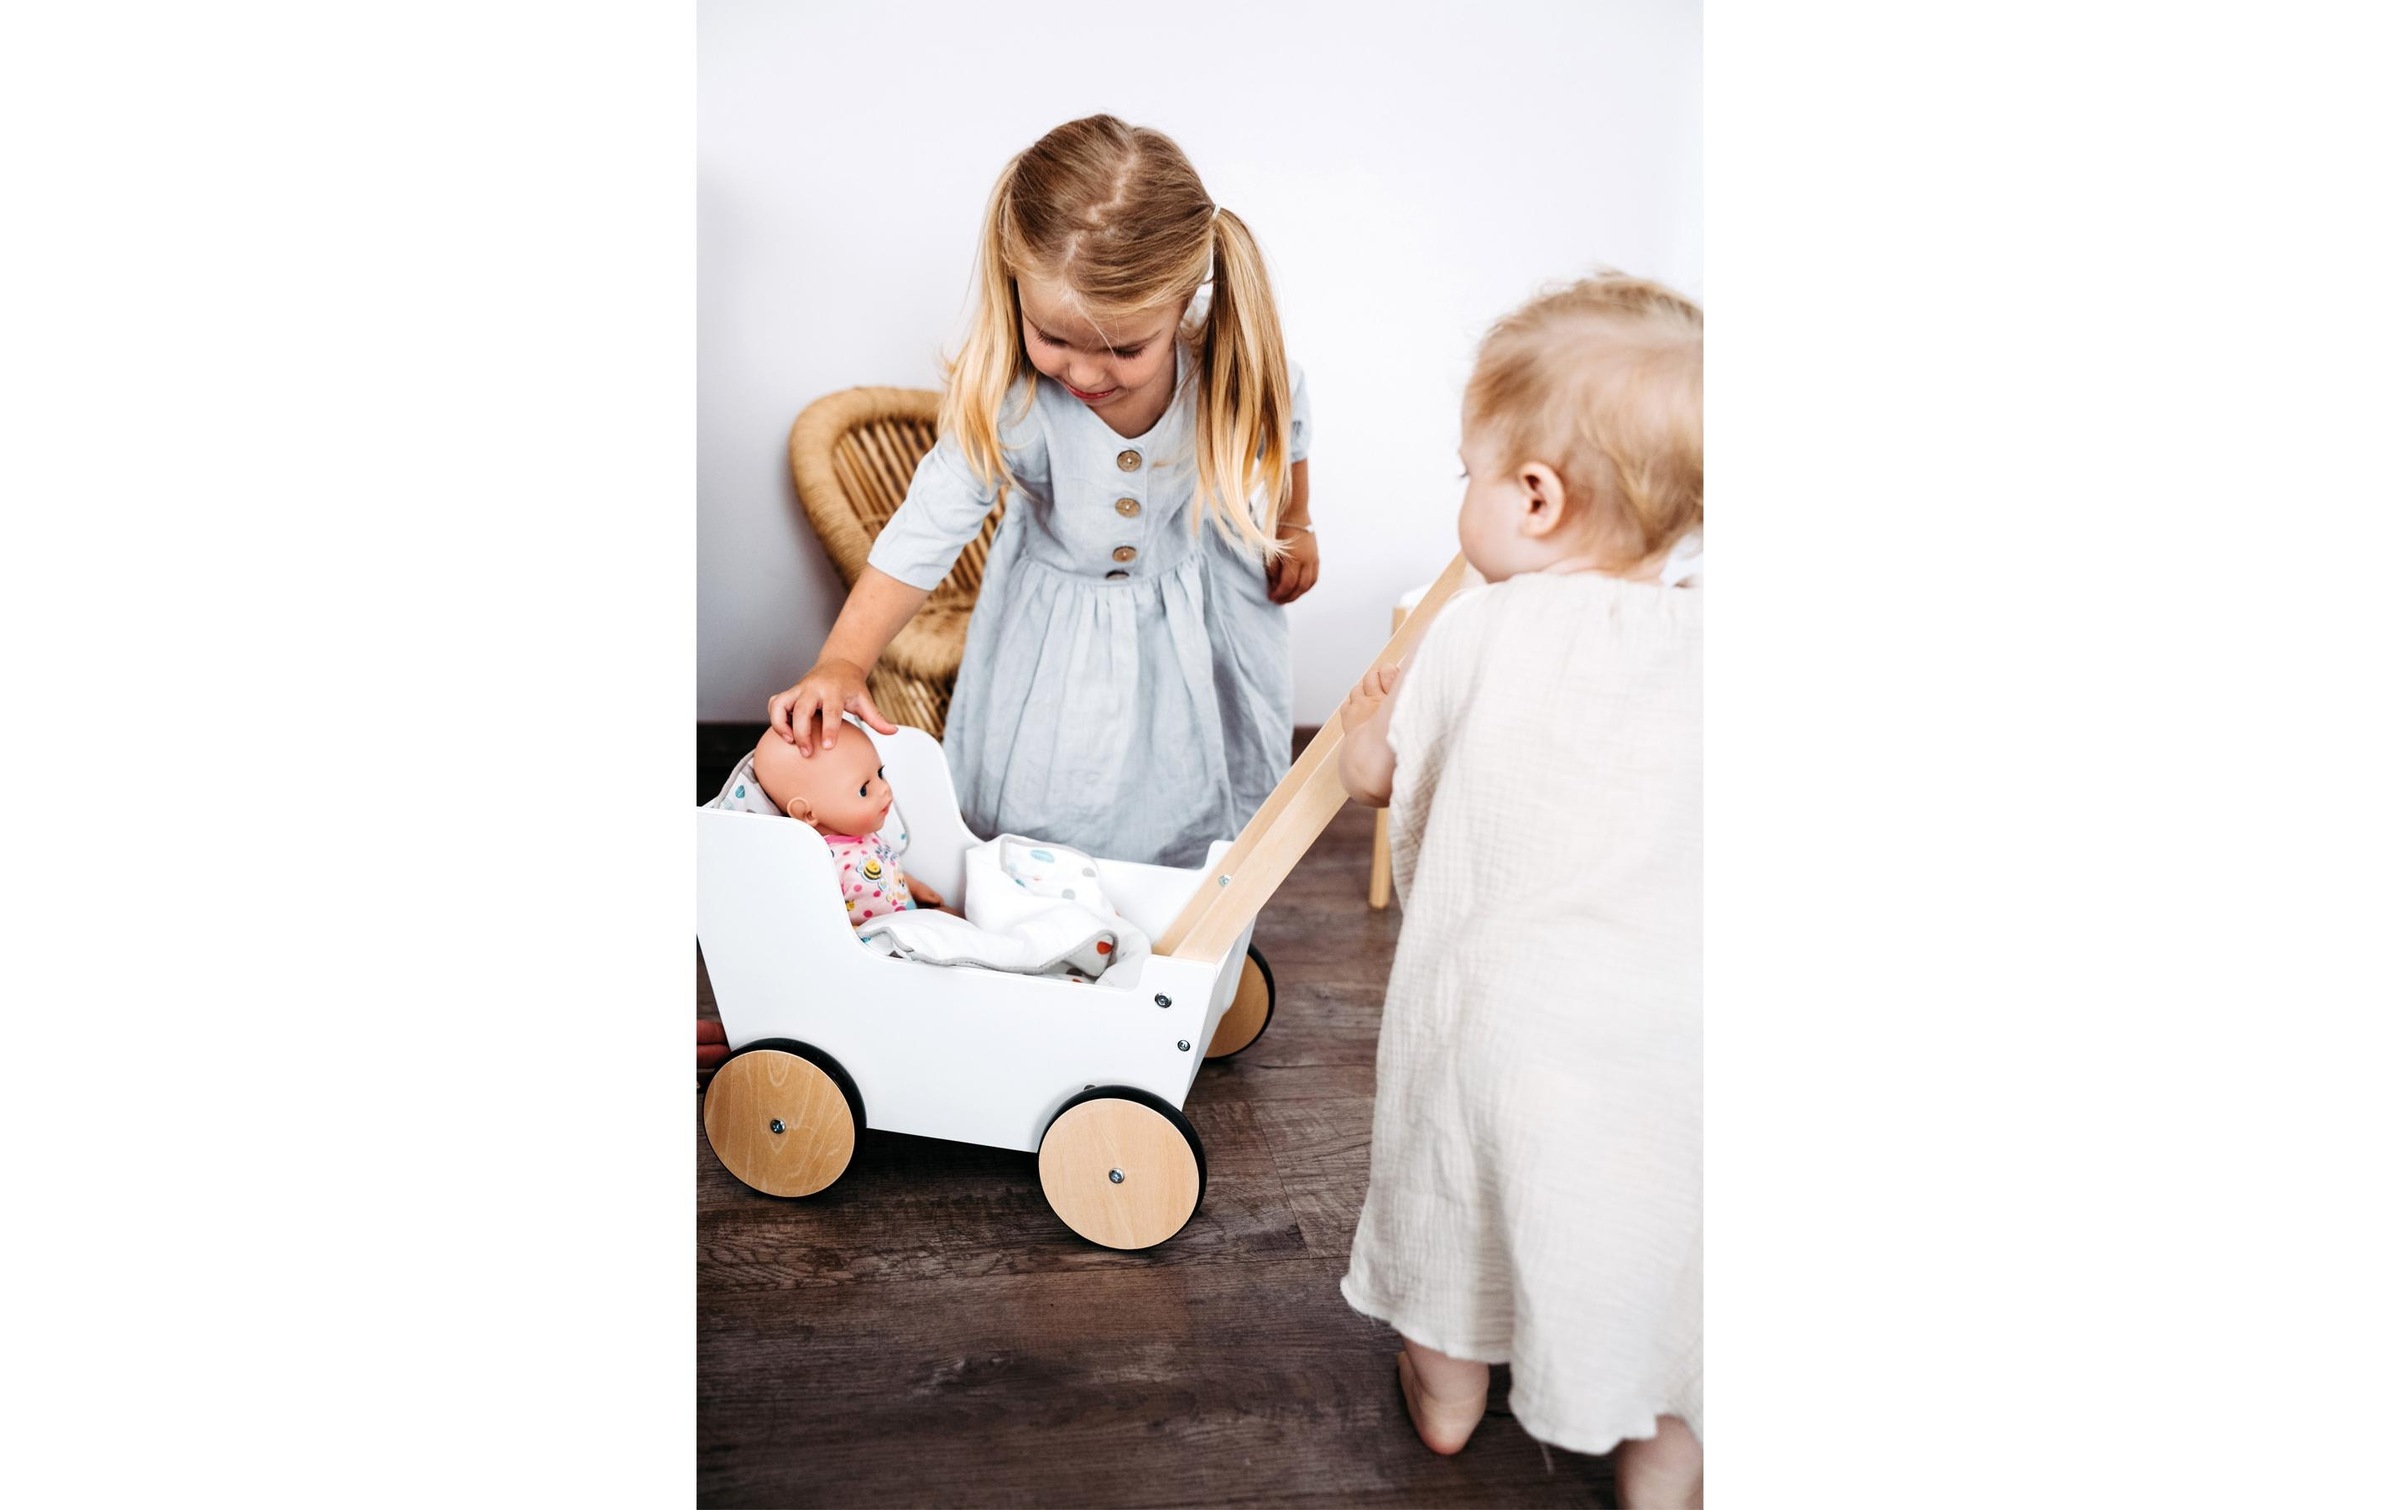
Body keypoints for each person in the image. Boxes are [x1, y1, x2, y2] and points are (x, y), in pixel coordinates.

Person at [1335, 273, 1704, 1507]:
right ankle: (1667, 1452)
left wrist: (1370, 722)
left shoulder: (1478, 631)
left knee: (1452, 1188)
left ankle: (1447, 1387)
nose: (1465, 499)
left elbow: (1373, 776)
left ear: (1536, 498)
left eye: (1470, 474)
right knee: (1671, 1234)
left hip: (1497, 1020)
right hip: (1682, 1030)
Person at [767, 114, 1318, 869]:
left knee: (1198, 806)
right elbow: (928, 525)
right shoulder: (1013, 402)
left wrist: (1296, 519)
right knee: (1049, 806)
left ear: (1185, 297)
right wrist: (843, 661)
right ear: (1016, 287)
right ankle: (1041, 916)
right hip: (1057, 632)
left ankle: (1180, 918)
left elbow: (1287, 423)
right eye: (1054, 339)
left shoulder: (1229, 364)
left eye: (1124, 348)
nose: (1084, 374)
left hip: (1199, 617)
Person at [749, 722, 945, 925]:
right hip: (877, 939)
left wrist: (915, 887)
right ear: (806, 813)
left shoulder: (862, 831)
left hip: (907, 921)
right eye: (863, 790)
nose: (884, 788)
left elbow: (887, 868)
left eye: (879, 774)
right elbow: (822, 923)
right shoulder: (825, 864)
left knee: (950, 915)